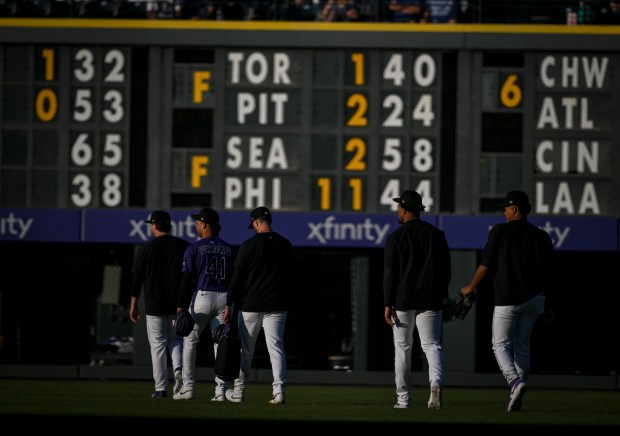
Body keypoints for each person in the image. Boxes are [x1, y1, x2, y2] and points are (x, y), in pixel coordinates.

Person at [460, 190, 554, 412]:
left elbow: (486, 265)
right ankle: (516, 396)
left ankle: (515, 382)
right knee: (523, 346)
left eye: (506, 208)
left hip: (508, 300)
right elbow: (550, 273)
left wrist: (470, 287)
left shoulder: (500, 231)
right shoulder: (542, 236)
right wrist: (549, 304)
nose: (504, 212)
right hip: (535, 299)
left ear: (515, 209)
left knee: (500, 344)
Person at [383, 190, 451, 409]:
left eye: (398, 207)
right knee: (432, 345)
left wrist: (387, 302)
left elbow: (390, 273)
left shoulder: (396, 236)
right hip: (431, 297)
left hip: (403, 299)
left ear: (403, 209)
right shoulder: (437, 234)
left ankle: (403, 399)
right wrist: (443, 295)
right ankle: (436, 384)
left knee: (403, 348)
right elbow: (446, 270)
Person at [223, 206, 294, 405]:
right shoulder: (285, 244)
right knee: (276, 348)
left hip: (251, 304)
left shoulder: (249, 244)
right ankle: (279, 391)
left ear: (255, 223)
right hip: (277, 304)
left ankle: (239, 392)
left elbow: (237, 278)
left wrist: (229, 304)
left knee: (246, 350)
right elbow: (290, 276)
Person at [173, 207, 236, 401]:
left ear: (204, 225)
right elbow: (235, 279)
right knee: (221, 345)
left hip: (202, 297)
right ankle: (220, 391)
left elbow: (186, 280)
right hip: (224, 298)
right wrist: (231, 304)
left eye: (197, 222)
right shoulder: (229, 248)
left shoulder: (193, 248)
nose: (196, 225)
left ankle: (189, 388)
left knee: (190, 342)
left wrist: (181, 305)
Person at [130, 210, 190, 398]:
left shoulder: (146, 248)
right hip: (177, 304)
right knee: (176, 341)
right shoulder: (183, 246)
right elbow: (189, 277)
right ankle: (178, 370)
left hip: (155, 304)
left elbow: (136, 278)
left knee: (157, 345)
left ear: (155, 225)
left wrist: (133, 304)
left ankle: (160, 388)